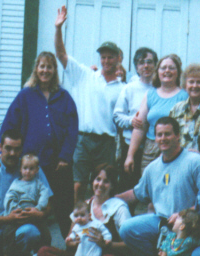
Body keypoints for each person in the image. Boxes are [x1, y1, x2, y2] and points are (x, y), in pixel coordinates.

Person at [0, 50, 78, 238]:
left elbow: (73, 129)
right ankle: (35, 245)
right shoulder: (25, 96)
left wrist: (65, 156)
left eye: (49, 66)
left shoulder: (64, 97)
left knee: (64, 208)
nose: (45, 70)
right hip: (31, 166)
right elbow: (9, 125)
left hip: (58, 164)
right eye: (42, 66)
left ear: (54, 70)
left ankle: (71, 247)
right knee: (32, 206)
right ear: (36, 69)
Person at [55, 6, 124, 204]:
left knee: (105, 187)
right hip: (83, 140)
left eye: (111, 56)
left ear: (118, 58)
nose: (106, 60)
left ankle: (101, 225)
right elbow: (61, 54)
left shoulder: (123, 88)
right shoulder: (85, 75)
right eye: (103, 56)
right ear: (99, 58)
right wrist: (59, 28)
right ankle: (76, 225)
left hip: (107, 143)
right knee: (78, 186)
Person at [117, 117, 200, 256]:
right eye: (159, 135)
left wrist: (183, 214)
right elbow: (137, 194)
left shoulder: (196, 162)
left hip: (190, 225)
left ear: (177, 136)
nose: (163, 138)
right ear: (154, 138)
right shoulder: (152, 168)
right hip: (161, 222)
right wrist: (109, 200)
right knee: (127, 229)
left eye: (167, 134)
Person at [0, 129, 52, 255]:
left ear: (21, 150)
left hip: (25, 223)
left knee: (30, 233)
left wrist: (40, 214)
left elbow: (49, 202)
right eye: (8, 148)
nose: (12, 153)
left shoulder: (31, 168)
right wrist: (8, 219)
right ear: (0, 148)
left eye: (17, 149)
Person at [38, 163, 132, 256]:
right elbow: (69, 241)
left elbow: (130, 244)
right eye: (98, 179)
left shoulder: (119, 208)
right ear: (92, 181)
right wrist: (73, 242)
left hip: (103, 253)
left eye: (106, 181)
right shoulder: (84, 206)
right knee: (44, 251)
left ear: (112, 185)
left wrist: (106, 244)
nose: (100, 184)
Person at [124, 54, 188, 174]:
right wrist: (130, 155)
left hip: (175, 148)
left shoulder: (185, 96)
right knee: (149, 186)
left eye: (171, 68)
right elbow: (139, 127)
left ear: (178, 72)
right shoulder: (150, 94)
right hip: (151, 148)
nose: (167, 71)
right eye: (163, 68)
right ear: (157, 71)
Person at [114, 47, 158, 192]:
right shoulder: (129, 89)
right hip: (131, 148)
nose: (146, 66)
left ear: (155, 65)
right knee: (129, 188)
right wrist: (131, 121)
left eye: (149, 62)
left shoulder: (161, 89)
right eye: (141, 63)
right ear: (136, 68)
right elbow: (117, 116)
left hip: (153, 148)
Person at [3, 154, 52, 256]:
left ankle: (42, 251)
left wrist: (38, 208)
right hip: (19, 213)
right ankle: (9, 252)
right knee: (7, 234)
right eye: (25, 168)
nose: (27, 171)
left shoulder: (38, 184)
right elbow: (9, 197)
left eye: (31, 168)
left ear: (37, 170)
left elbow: (44, 195)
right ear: (20, 169)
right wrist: (16, 209)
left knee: (46, 235)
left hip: (34, 212)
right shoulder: (16, 184)